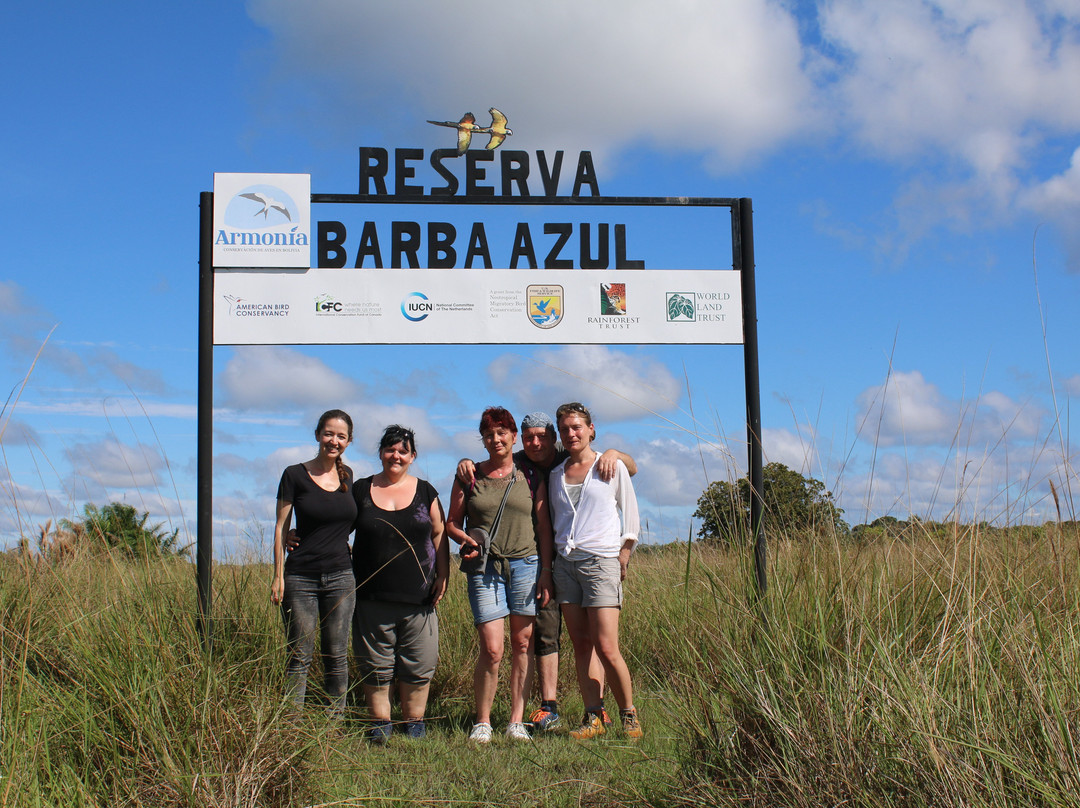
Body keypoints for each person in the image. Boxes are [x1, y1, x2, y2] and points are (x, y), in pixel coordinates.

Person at [457, 412, 636, 732]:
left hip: (566, 559)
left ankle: (604, 712)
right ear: (521, 439)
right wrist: (465, 461)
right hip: (547, 561)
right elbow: (490, 461)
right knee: (547, 634)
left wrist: (613, 453)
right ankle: (550, 707)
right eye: (529, 437)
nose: (536, 442)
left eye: (542, 436)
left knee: (596, 642)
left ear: (554, 437)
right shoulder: (521, 461)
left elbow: (630, 468)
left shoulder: (569, 454)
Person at [445, 406, 555, 743]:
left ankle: (516, 722)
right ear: (482, 439)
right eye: (489, 434)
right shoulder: (469, 475)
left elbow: (543, 526)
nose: (496, 439)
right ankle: (483, 721)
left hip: (526, 564)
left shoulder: (529, 475)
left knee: (522, 644)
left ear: (513, 437)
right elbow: (452, 523)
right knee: (492, 649)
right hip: (485, 568)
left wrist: (546, 571)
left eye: (502, 433)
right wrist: (465, 540)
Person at [549, 402, 643, 740]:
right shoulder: (555, 474)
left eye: (577, 427)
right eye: (565, 429)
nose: (571, 434)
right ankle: (594, 716)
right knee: (582, 645)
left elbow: (630, 513)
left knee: (606, 645)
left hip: (600, 562)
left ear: (591, 429)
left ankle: (628, 714)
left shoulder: (610, 465)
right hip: (565, 564)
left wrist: (625, 552)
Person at [352, 425, 449, 745]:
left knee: (419, 663)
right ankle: (380, 723)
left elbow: (439, 532)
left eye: (403, 451)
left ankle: (414, 722)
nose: (396, 455)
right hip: (371, 596)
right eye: (390, 449)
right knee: (375, 664)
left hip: (419, 597)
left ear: (413, 456)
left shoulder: (426, 491)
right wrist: (298, 534)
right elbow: (336, 525)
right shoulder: (360, 489)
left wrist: (443, 574)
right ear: (381, 453)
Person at [272, 409, 358, 715]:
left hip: (341, 577)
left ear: (348, 441)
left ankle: (333, 725)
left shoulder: (347, 477)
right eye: (328, 434)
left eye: (341, 436)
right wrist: (278, 576)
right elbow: (281, 527)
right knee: (299, 656)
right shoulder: (294, 474)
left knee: (336, 655)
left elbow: (345, 521)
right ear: (318, 435)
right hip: (300, 578)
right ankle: (290, 726)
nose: (334, 441)